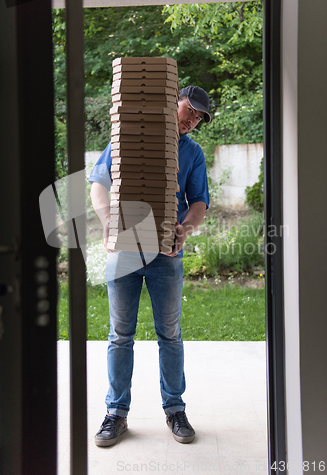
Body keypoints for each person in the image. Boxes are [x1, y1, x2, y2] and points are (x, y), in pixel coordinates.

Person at [89, 85, 211, 447]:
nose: (191, 121)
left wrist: (185, 229)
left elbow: (199, 202)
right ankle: (116, 413)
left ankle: (175, 410)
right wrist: (108, 220)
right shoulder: (131, 140)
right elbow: (99, 182)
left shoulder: (193, 153)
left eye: (198, 118)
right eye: (188, 111)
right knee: (120, 335)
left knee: (169, 335)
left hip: (165, 255)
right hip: (125, 251)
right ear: (174, 102)